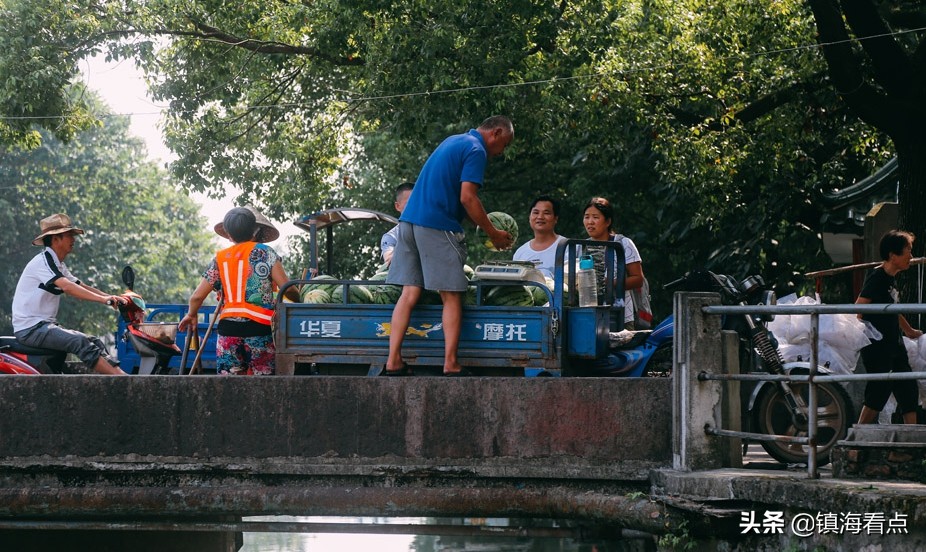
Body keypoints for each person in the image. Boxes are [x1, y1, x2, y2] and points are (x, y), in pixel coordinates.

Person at [385, 115, 515, 376]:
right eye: (505, 144)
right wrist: (493, 233)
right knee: (452, 295)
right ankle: (451, 364)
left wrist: (482, 224)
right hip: (436, 225)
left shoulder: (453, 141)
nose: (502, 152)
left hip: (408, 224)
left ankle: (393, 361)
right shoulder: (476, 149)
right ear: (497, 133)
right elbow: (468, 198)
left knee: (409, 293)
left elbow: (455, 197)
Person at [178, 206, 300, 376]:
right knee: (263, 385)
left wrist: (191, 315)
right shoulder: (266, 253)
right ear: (254, 230)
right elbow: (288, 289)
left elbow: (196, 297)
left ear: (228, 234)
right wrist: (300, 299)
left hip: (229, 330)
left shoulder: (220, 258)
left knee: (230, 386)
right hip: (260, 329)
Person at [12, 214, 126, 375]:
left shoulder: (58, 265)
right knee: (79, 342)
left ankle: (114, 377)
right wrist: (103, 300)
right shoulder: (42, 262)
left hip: (44, 327)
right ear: (55, 239)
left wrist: (111, 297)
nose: (74, 239)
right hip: (31, 329)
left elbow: (80, 286)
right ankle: (122, 379)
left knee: (93, 341)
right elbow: (67, 287)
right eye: (69, 235)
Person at [855, 230, 923, 425]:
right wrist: (865, 336)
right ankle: (857, 438)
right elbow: (858, 309)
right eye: (907, 251)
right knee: (879, 391)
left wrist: (909, 331)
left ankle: (909, 441)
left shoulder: (890, 278)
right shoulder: (877, 277)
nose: (911, 256)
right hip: (878, 347)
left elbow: (892, 309)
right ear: (893, 255)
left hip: (894, 344)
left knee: (908, 390)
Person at [582, 197, 645, 330]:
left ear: (608, 221)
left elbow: (638, 279)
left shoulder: (623, 243)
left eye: (595, 217)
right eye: (587, 217)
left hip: (621, 316)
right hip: (589, 316)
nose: (590, 222)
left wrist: (611, 283)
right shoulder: (581, 247)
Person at [513, 195, 567, 278]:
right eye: (536, 212)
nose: (540, 217)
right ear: (529, 217)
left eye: (546, 213)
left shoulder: (567, 247)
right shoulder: (520, 253)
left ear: (555, 219)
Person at [380, 182, 415, 265]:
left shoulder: (432, 228)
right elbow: (389, 259)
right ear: (397, 206)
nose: (415, 207)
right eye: (409, 203)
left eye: (418, 202)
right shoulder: (391, 236)